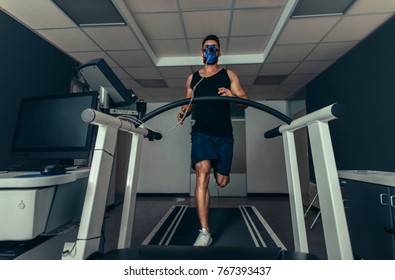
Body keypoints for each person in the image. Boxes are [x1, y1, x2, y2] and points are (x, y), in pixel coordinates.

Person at [177, 35, 249, 246]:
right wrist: (183, 112)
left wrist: (231, 95)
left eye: (214, 48)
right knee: (202, 175)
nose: (210, 51)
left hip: (224, 135)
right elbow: (189, 105)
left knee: (222, 181)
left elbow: (245, 102)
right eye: (207, 48)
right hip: (201, 133)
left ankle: (220, 168)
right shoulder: (192, 79)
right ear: (201, 52)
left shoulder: (229, 75)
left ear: (219, 53)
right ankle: (205, 231)